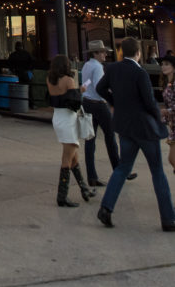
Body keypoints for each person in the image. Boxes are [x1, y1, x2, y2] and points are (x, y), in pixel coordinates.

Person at [96, 36, 175, 231]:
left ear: (122, 51)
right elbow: (149, 102)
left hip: (124, 126)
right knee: (157, 171)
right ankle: (168, 218)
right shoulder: (140, 73)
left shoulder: (113, 68)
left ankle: (106, 208)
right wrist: (159, 117)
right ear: (138, 53)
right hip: (144, 128)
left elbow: (99, 88)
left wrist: (115, 103)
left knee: (123, 167)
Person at [80, 40, 136, 187]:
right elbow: (101, 88)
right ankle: (119, 171)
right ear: (96, 53)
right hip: (99, 104)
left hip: (87, 102)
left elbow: (86, 84)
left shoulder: (86, 65)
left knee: (90, 140)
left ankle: (92, 176)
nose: (105, 54)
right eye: (103, 52)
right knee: (110, 137)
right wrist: (113, 99)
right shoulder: (98, 67)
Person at [46, 54, 95, 208]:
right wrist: (80, 90)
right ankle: (62, 196)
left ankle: (84, 188)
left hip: (57, 118)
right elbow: (74, 103)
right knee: (67, 159)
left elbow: (56, 99)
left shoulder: (49, 79)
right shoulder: (68, 80)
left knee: (74, 157)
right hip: (68, 120)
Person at [159, 55, 175, 176]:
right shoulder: (168, 83)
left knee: (172, 159)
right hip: (173, 125)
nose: (163, 66)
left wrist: (167, 111)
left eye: (167, 64)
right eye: (162, 64)